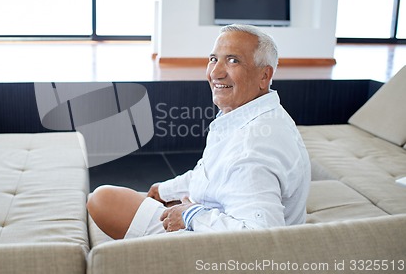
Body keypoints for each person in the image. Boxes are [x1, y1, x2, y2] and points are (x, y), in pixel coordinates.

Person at [87, 24, 311, 239]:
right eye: (213, 59)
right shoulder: (253, 115)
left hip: (212, 245)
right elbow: (213, 174)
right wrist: (166, 190)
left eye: (233, 61)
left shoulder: (252, 147)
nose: (216, 72)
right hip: (211, 213)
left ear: (264, 76)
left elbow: (260, 238)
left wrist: (190, 214)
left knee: (102, 200)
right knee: (114, 197)